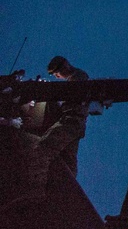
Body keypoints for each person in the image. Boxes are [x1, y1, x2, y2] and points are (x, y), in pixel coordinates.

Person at [23, 56, 90, 200]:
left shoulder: (77, 78)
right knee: (67, 163)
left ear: (64, 66)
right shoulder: (76, 78)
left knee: (41, 150)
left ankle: (35, 194)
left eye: (56, 73)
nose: (56, 76)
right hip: (75, 125)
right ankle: (67, 197)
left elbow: (68, 96)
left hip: (70, 122)